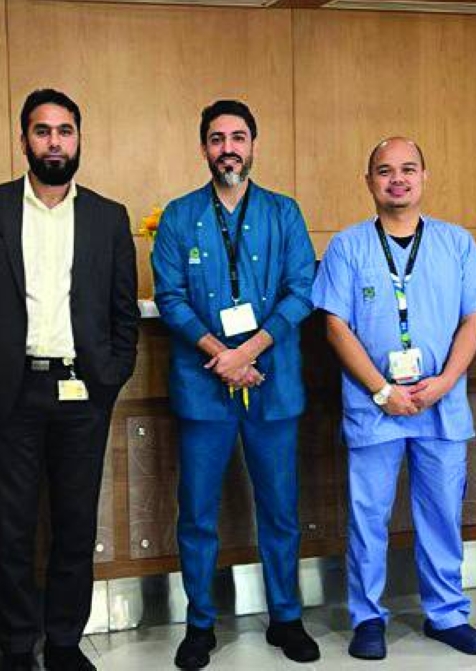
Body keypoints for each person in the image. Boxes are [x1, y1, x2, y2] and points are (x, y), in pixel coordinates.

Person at [0, 89, 138, 671]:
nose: (54, 141)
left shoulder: (109, 216)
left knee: (77, 525)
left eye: (65, 131)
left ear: (80, 138)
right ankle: (16, 645)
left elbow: (122, 311)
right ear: (23, 139)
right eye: (42, 130)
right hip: (10, 393)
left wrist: (112, 373)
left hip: (84, 392)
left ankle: (62, 642)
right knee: (12, 528)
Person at [311, 137, 476, 660]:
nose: (398, 179)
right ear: (368, 181)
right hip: (375, 404)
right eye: (385, 170)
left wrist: (445, 382)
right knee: (367, 514)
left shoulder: (456, 243)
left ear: (424, 177)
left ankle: (446, 614)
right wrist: (381, 389)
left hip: (441, 401)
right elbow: (335, 325)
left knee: (441, 512)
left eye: (408, 169)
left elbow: (473, 321)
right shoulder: (348, 247)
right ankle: (368, 617)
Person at [151, 99, 318, 670]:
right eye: (218, 138)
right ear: (203, 148)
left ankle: (287, 617)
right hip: (204, 386)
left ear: (253, 144)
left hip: (272, 380)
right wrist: (221, 355)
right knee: (197, 510)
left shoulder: (284, 213)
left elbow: (302, 292)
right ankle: (200, 623)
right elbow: (169, 298)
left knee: (280, 508)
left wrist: (248, 350)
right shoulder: (177, 216)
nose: (229, 147)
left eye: (239, 136)